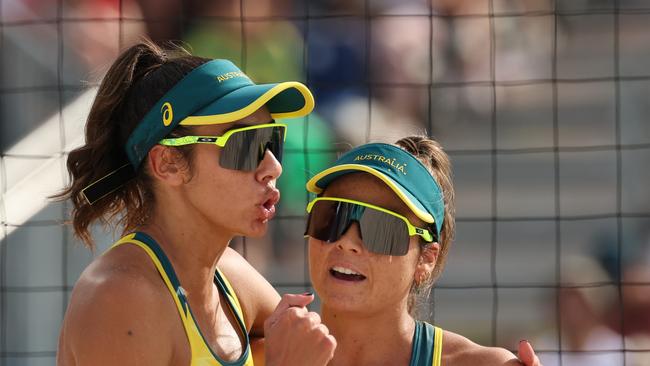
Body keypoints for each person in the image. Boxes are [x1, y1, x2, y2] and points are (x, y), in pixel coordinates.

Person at [55, 40, 336, 365]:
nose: (274, 167)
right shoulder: (118, 297)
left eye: (273, 140)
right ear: (168, 163)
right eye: (246, 144)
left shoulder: (231, 276)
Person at [304, 136, 543, 365]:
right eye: (333, 216)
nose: (347, 242)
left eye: (381, 228)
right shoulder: (273, 351)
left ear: (426, 259)